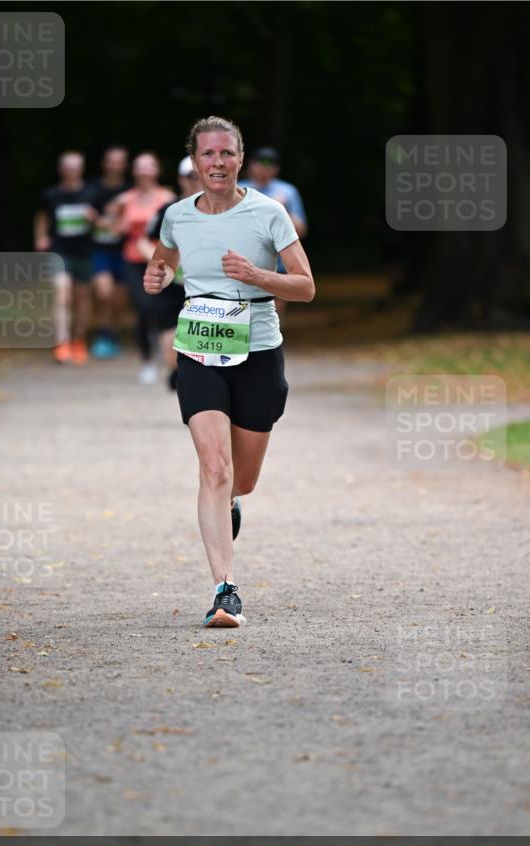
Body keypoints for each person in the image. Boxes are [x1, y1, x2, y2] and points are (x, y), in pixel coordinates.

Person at [144, 116, 314, 628]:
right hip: (197, 349)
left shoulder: (269, 212)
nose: (217, 163)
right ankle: (225, 590)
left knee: (243, 478)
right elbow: (163, 262)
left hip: (258, 353)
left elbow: (305, 286)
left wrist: (259, 275)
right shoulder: (176, 215)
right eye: (207, 154)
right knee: (213, 467)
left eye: (226, 154)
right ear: (194, 162)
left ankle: (235, 499)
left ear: (239, 159)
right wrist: (159, 276)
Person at [113, 153, 174, 384]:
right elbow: (114, 230)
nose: (144, 172)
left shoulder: (167, 197)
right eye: (140, 167)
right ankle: (148, 360)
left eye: (149, 167)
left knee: (161, 309)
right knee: (144, 308)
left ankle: (165, 352)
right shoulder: (125, 199)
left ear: (156, 170)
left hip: (161, 260)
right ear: (134, 171)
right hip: (133, 260)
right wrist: (121, 224)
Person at [34, 151, 98, 365]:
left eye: (76, 168)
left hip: (85, 252)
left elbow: (107, 224)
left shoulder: (92, 193)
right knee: (61, 292)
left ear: (81, 169)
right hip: (59, 251)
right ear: (61, 170)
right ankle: (62, 342)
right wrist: (41, 237)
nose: (72, 172)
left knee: (82, 298)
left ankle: (79, 340)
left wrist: (95, 219)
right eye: (68, 168)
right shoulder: (51, 195)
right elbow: (42, 217)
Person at [147, 156, 203, 391]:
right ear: (181, 179)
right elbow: (146, 240)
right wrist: (156, 263)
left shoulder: (220, 209)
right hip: (172, 283)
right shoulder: (169, 211)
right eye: (191, 176)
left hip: (203, 286)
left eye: (200, 175)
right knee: (170, 332)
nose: (197, 180)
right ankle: (176, 372)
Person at [241, 146, 308, 319]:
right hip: (245, 260)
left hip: (278, 263)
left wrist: (280, 209)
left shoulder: (287, 191)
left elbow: (301, 229)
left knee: (274, 312)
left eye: (270, 164)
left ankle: (273, 342)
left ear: (277, 168)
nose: (264, 168)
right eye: (259, 163)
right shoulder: (239, 189)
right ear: (250, 165)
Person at [89, 146, 131, 359]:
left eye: (119, 161)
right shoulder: (92, 189)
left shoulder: (130, 190)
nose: (115, 165)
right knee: (104, 292)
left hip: (123, 251)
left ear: (124, 165)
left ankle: (112, 335)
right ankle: (102, 334)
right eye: (111, 161)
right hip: (101, 251)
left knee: (119, 299)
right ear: (105, 164)